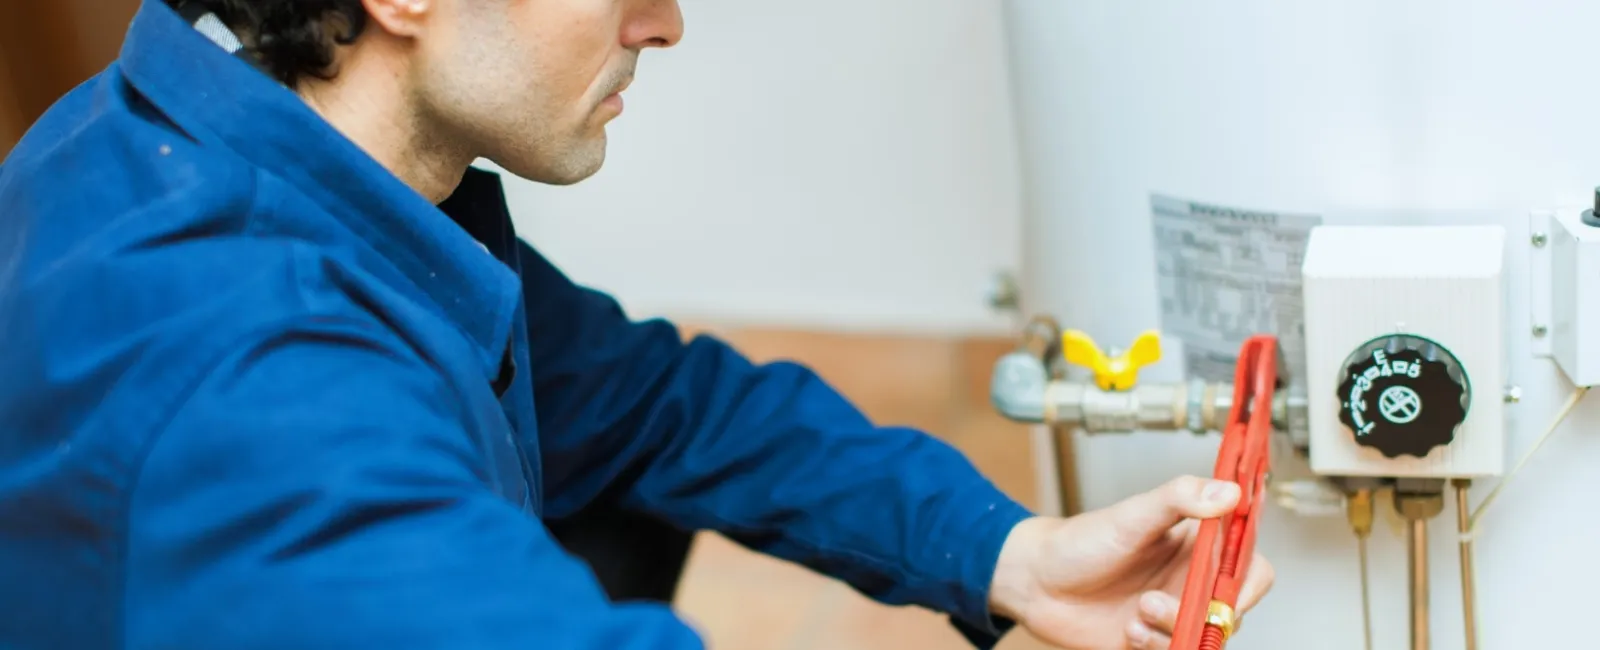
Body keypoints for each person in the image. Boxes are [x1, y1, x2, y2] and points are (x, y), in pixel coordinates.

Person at [0, 1, 1274, 648]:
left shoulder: (247, 149)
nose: (665, 22)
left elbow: (664, 404)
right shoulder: (253, 383)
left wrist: (1004, 551)